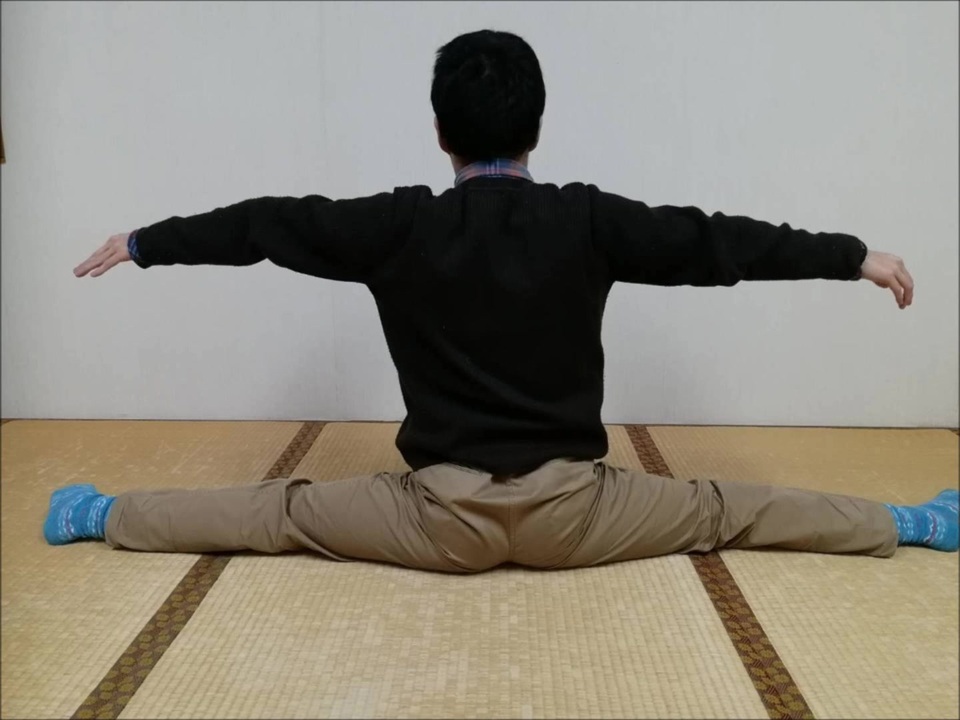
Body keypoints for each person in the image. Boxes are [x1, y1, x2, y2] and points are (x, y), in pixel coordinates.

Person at [46, 30, 957, 572]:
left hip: (433, 517)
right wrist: (853, 258)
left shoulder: (397, 226)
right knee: (728, 509)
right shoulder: (587, 220)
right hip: (579, 515)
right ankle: (917, 525)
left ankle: (93, 517)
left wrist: (146, 242)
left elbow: (265, 224)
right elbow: (718, 243)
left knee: (280, 515)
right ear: (538, 128)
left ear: (439, 131)